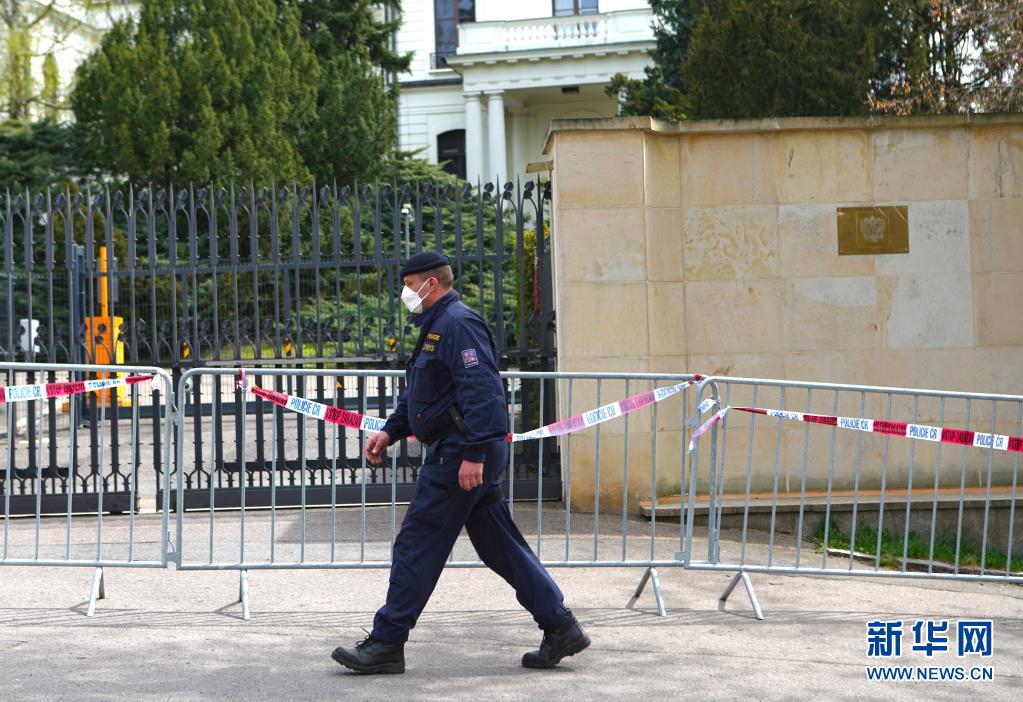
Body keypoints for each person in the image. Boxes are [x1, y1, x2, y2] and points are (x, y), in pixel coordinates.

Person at [332, 251, 589, 674]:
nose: (406, 292)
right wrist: (391, 430)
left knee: (417, 543)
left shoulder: (458, 324)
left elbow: (483, 393)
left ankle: (387, 642)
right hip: (463, 448)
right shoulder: (437, 325)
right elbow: (424, 393)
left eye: (410, 284)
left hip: (460, 451)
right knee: (499, 545)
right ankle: (560, 626)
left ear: (431, 283)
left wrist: (474, 454)